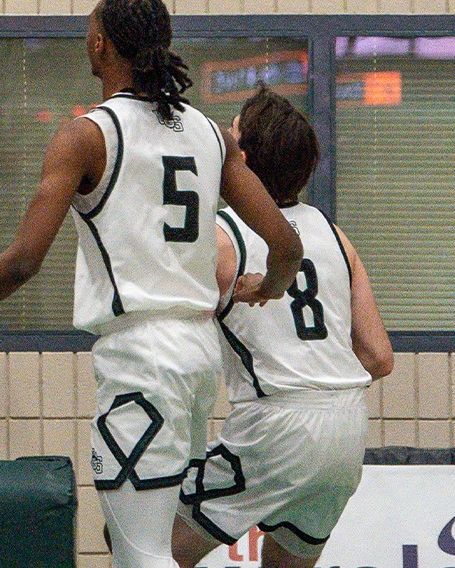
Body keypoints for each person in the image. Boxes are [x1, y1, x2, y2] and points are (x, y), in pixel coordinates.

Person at [0, 0, 303, 568]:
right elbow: (287, 244)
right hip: (198, 356)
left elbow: (25, 260)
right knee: (149, 545)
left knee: (141, 555)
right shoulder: (211, 134)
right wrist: (269, 286)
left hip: (142, 358)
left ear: (100, 44)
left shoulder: (87, 135)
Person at [173, 87, 393, 568]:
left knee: (143, 542)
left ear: (243, 160)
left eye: (232, 136)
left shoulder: (222, 237)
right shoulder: (335, 235)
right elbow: (379, 357)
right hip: (345, 430)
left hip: (276, 425)